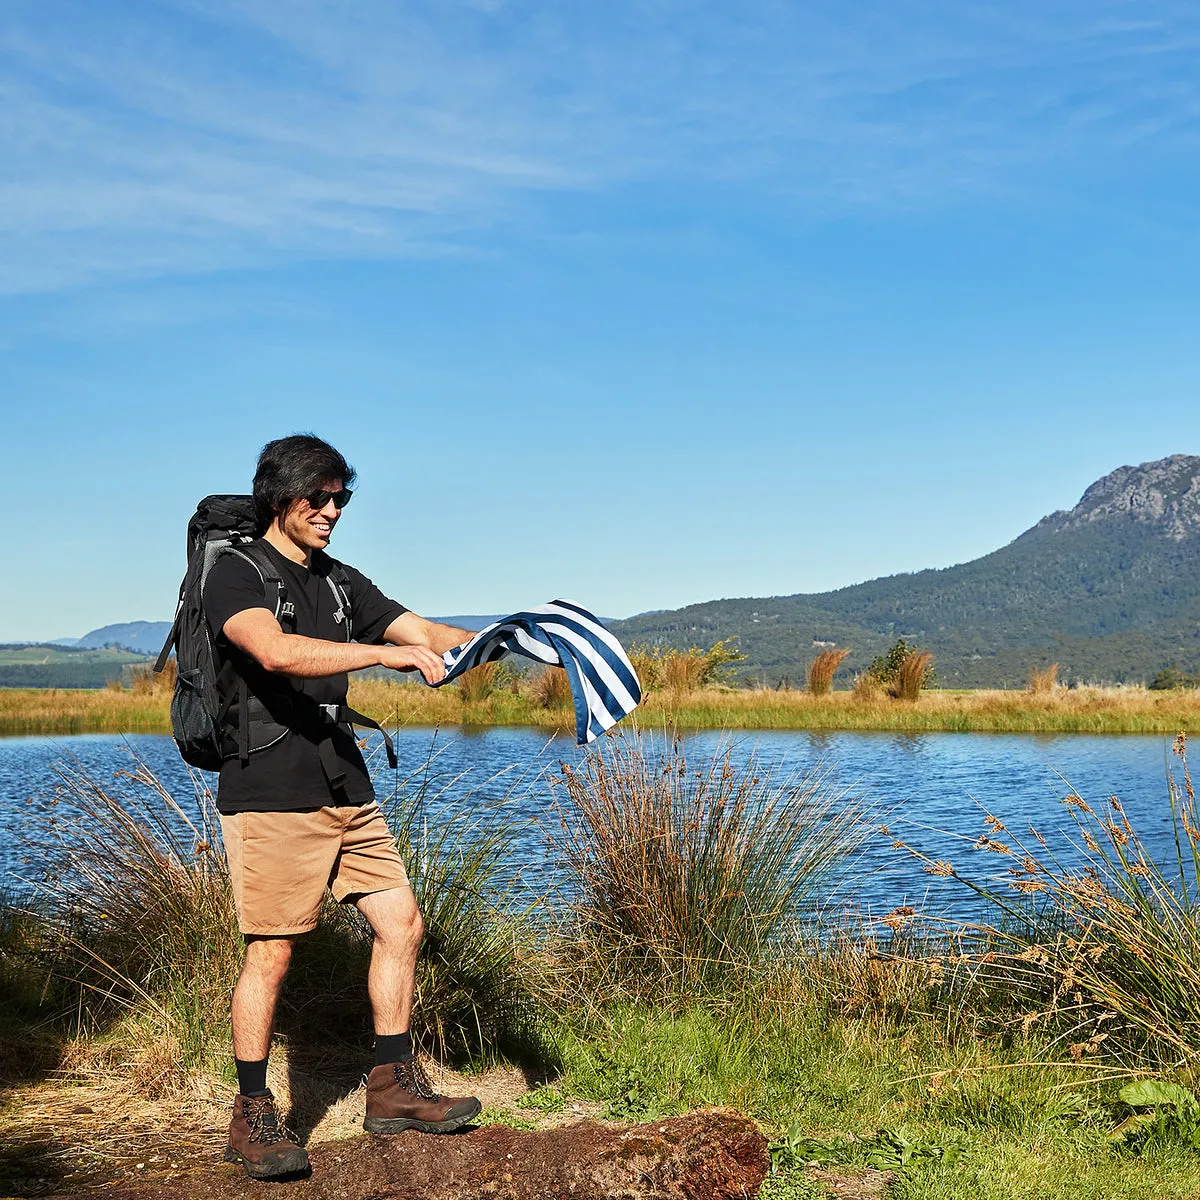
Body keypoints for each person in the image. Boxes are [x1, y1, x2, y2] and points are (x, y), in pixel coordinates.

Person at [203, 434, 481, 1180]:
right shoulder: (234, 574)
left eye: (340, 499)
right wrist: (381, 656)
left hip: (343, 782)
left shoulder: (340, 581)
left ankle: (391, 1086)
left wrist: (512, 640)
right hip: (270, 788)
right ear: (278, 498)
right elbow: (276, 653)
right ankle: (252, 1113)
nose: (331, 512)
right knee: (273, 949)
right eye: (317, 499)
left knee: (401, 922)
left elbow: (422, 633)